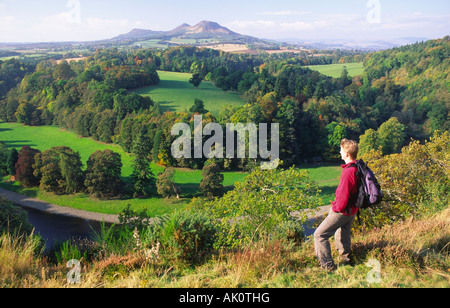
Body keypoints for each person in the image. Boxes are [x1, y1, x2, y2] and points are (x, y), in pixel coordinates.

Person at [314, 139, 361, 271]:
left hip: (343, 210)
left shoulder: (348, 172)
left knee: (319, 235)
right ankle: (347, 261)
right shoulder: (357, 167)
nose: (339, 152)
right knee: (342, 233)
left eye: (341, 150)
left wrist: (335, 208)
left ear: (346, 153)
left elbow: (344, 196)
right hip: (352, 209)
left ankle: (327, 266)